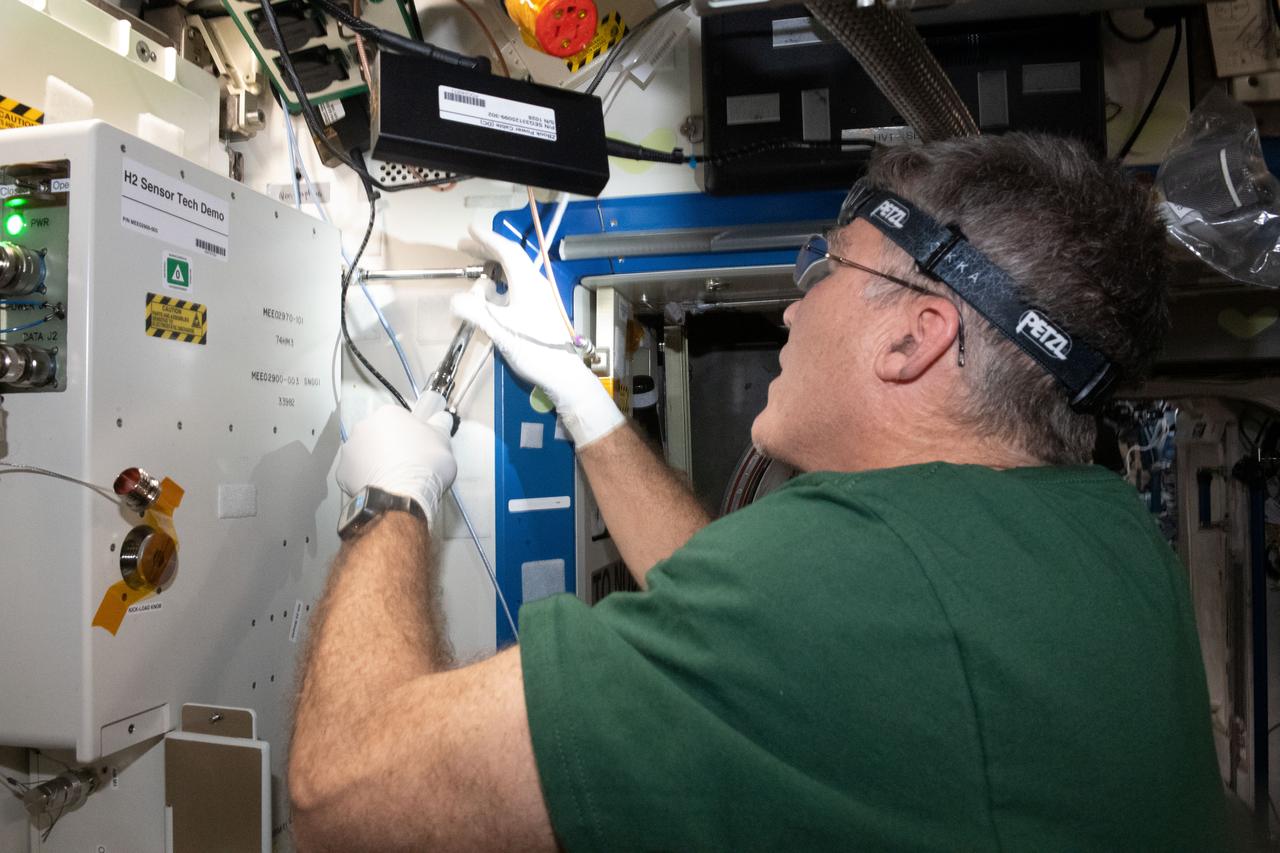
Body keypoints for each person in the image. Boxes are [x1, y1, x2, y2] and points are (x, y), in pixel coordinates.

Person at [288, 133, 1226, 851]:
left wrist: (392, 497)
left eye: (825, 265)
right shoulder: (1097, 533)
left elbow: (346, 786)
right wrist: (583, 399)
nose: (791, 300)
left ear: (915, 338)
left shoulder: (857, 575)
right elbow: (742, 609)